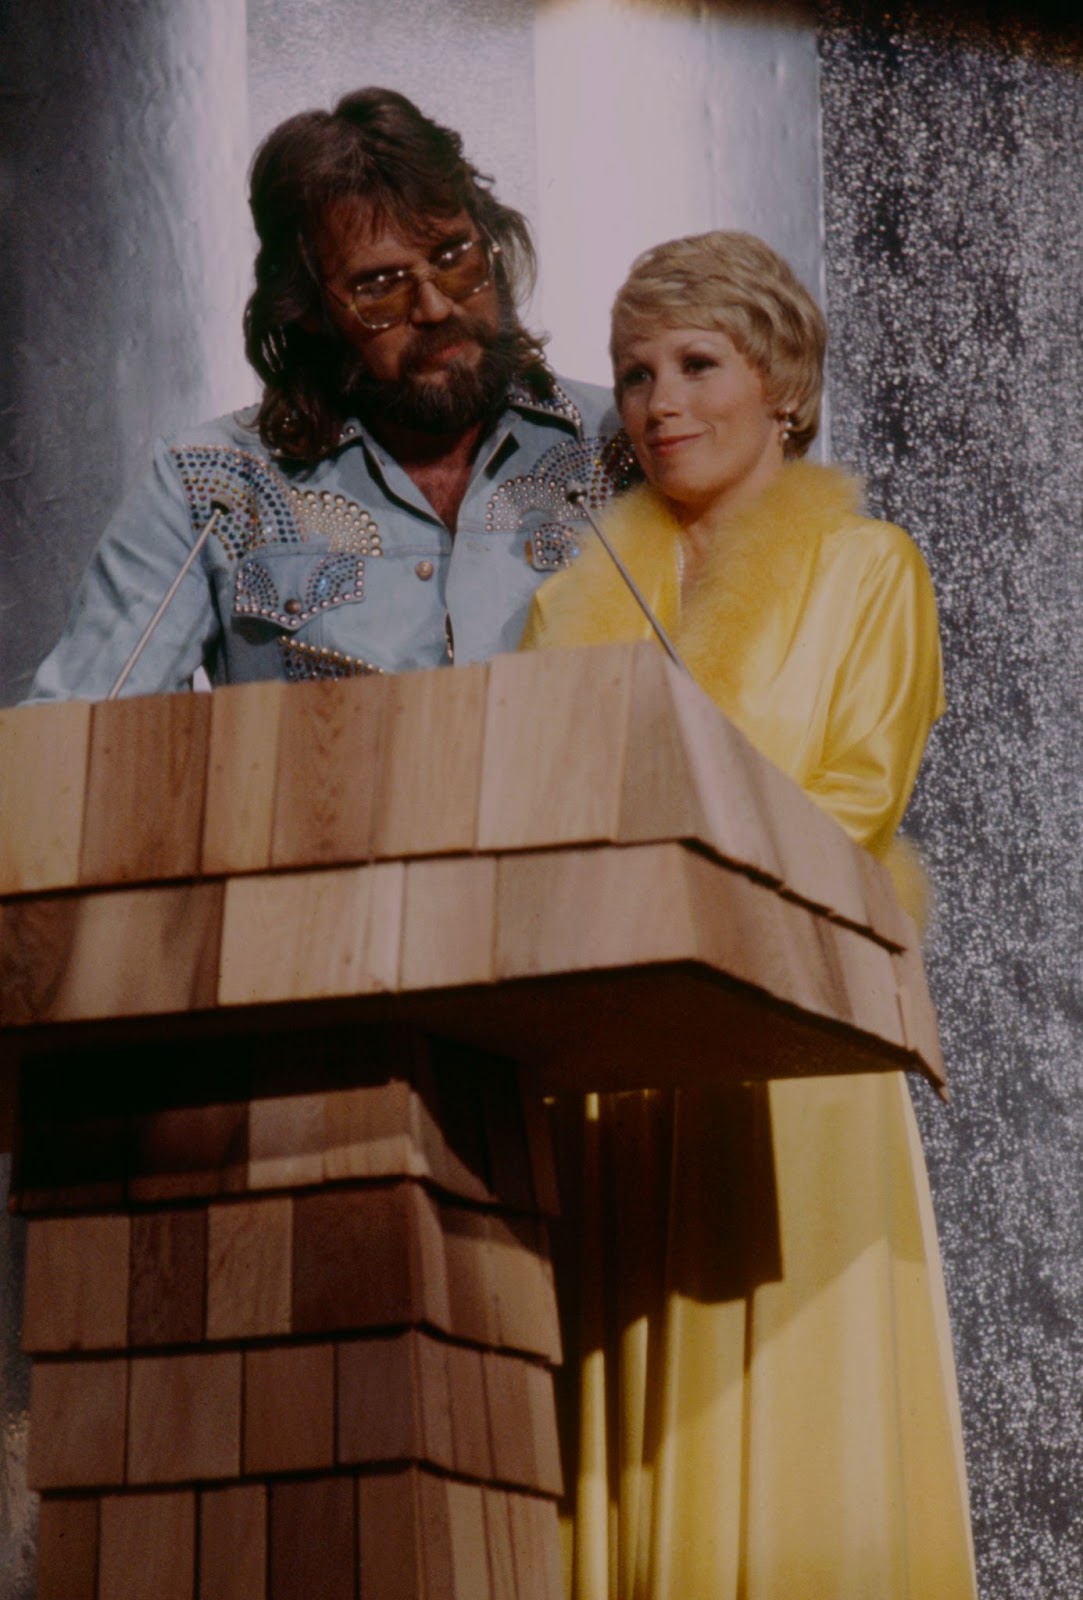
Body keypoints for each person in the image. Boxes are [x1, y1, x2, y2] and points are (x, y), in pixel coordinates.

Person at [521, 232, 977, 1598]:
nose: (655, 401)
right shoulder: (566, 603)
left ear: (780, 379)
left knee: (790, 1423)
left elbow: (844, 798)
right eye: (632, 373)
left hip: (792, 1047)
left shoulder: (865, 570)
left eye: (693, 363)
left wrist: (654, 891)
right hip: (611, 1070)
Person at [27, 88, 630, 701]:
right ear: (309, 309)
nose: (435, 305)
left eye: (454, 257)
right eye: (380, 287)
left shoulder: (620, 443)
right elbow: (72, 737)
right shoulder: (209, 489)